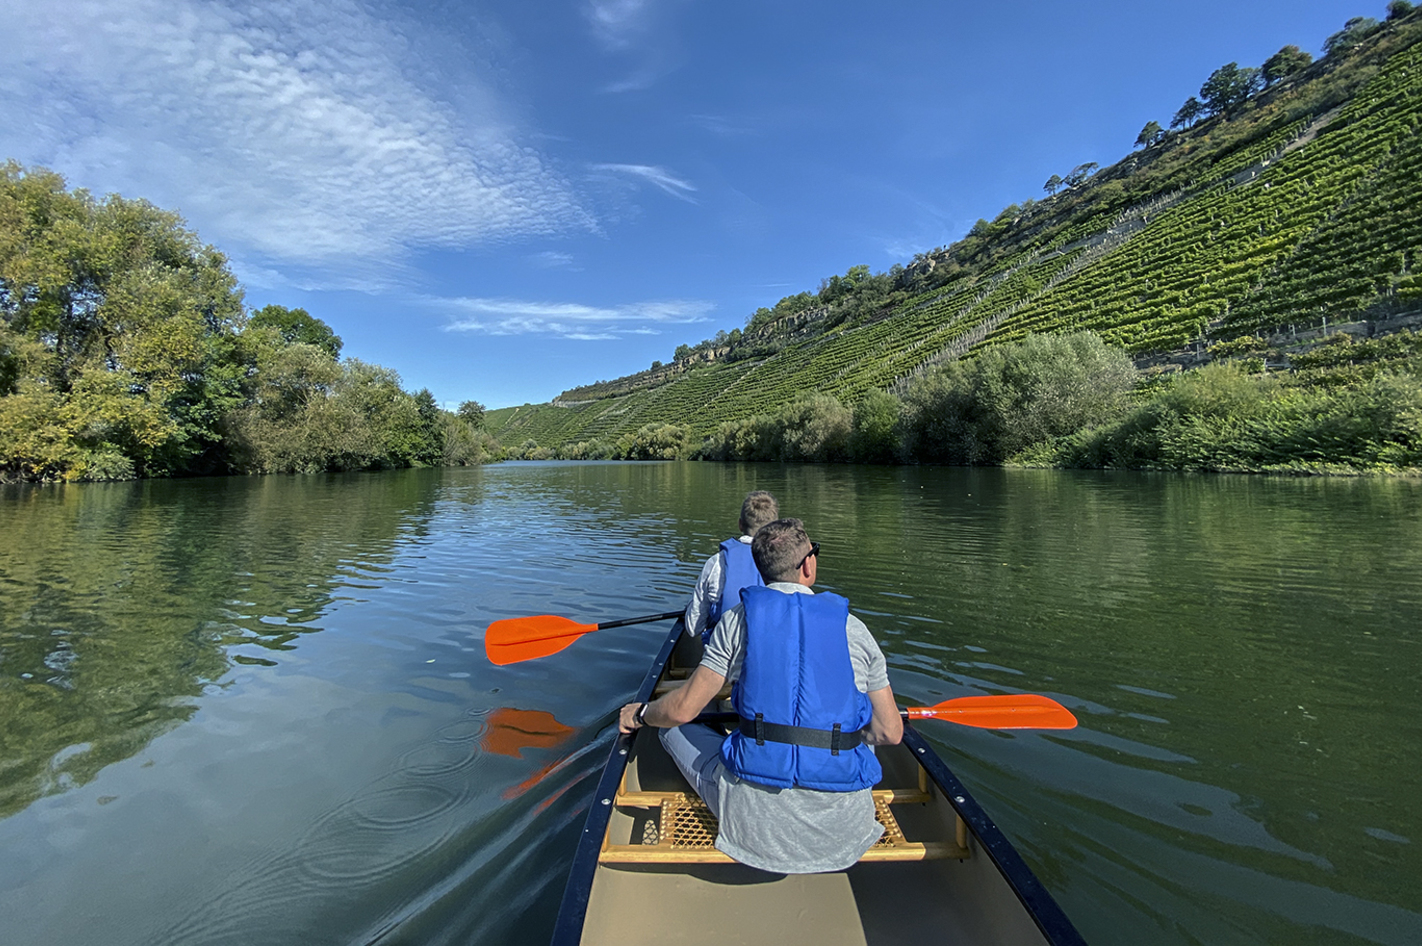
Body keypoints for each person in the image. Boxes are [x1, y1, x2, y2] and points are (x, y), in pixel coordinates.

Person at [619, 518, 903, 874]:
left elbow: (681, 710)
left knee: (670, 729)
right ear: (809, 564)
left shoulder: (737, 622)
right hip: (846, 832)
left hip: (753, 829)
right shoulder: (855, 629)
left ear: (760, 569)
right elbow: (890, 733)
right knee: (862, 737)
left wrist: (641, 714)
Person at [683, 490, 779, 642]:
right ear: (775, 529)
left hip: (722, 658)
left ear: (740, 524)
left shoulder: (717, 563)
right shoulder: (786, 563)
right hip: (769, 654)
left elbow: (693, 627)